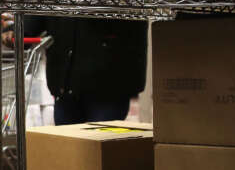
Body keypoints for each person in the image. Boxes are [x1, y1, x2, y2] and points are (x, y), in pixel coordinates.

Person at [14, 16, 147, 124]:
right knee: (67, 149)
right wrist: (18, 31)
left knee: (101, 149)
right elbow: (42, 8)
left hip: (109, 81)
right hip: (66, 81)